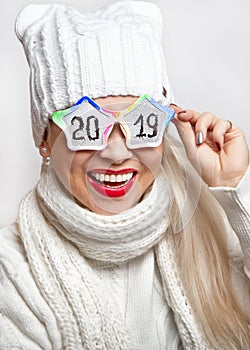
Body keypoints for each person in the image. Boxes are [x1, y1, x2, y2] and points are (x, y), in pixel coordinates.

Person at [0, 1, 249, 349]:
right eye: (86, 126)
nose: (117, 154)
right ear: (44, 140)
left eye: (141, 123)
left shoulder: (221, 229)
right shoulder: (11, 274)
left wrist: (236, 189)